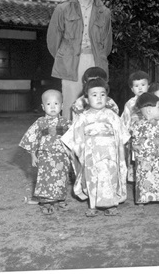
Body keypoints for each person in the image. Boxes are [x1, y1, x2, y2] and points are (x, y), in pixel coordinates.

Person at [46, 0, 113, 120]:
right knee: (71, 106)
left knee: (96, 105)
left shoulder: (104, 12)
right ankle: (69, 143)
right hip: (70, 63)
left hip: (95, 61)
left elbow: (107, 43)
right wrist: (65, 57)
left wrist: (98, 58)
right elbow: (52, 41)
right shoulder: (62, 9)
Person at [61, 78, 130, 217]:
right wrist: (80, 150)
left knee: (110, 177)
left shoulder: (112, 116)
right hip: (91, 154)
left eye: (102, 94)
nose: (99, 98)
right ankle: (92, 205)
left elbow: (123, 136)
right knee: (92, 178)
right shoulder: (83, 117)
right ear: (86, 99)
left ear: (107, 97)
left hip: (110, 153)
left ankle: (112, 204)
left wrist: (121, 151)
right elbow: (73, 137)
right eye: (94, 95)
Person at [19, 90, 72, 215]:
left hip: (61, 156)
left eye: (56, 103)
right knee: (45, 179)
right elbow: (32, 138)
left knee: (62, 177)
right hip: (45, 156)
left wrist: (72, 152)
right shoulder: (40, 122)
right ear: (43, 107)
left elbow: (73, 138)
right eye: (49, 104)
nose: (53, 107)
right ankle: (46, 202)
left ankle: (60, 198)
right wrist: (33, 155)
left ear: (62, 106)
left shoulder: (66, 123)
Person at [130, 92, 159, 210]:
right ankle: (141, 201)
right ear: (149, 110)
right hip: (144, 160)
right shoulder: (137, 126)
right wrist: (138, 153)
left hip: (158, 159)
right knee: (143, 179)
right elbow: (134, 142)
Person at [120, 70, 150, 182]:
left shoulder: (153, 100)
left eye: (143, 85)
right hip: (135, 135)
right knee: (135, 157)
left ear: (148, 86)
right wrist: (127, 136)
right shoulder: (130, 103)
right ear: (132, 89)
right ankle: (136, 179)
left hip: (150, 135)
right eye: (137, 86)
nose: (140, 88)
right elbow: (126, 120)